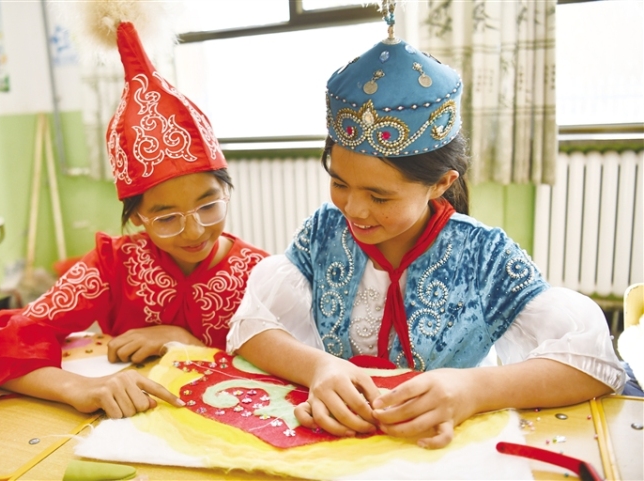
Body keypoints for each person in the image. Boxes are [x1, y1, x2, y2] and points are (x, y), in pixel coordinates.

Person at [226, 10, 625, 449]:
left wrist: (472, 390)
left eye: (379, 197)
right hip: (340, 445)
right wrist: (320, 367)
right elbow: (252, 326)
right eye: (339, 183)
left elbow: (592, 365)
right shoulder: (323, 232)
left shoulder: (484, 255)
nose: (353, 209)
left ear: (440, 184)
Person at [0, 21, 267, 420]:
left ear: (226, 189)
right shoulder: (114, 265)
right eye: (166, 218)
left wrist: (182, 341)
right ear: (136, 217)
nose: (194, 231)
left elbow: (290, 372)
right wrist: (79, 388)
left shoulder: (260, 274)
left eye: (208, 207)